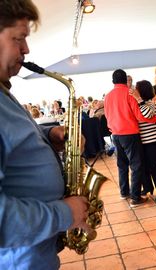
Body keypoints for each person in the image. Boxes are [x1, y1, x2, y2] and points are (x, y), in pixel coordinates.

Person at [0, 1, 92, 269]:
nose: (26, 50)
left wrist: (48, 134)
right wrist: (65, 213)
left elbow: (11, 136)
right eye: (19, 39)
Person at [104, 69, 156, 208]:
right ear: (125, 80)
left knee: (122, 164)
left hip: (115, 134)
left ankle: (124, 192)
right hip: (130, 134)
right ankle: (135, 197)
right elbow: (140, 116)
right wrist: (155, 119)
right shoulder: (129, 94)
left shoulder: (108, 96)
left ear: (113, 81)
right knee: (136, 165)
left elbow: (107, 116)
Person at [130, 80, 156, 202]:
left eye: (137, 88)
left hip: (153, 141)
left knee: (154, 167)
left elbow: (148, 114)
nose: (135, 90)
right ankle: (148, 188)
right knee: (144, 167)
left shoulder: (150, 103)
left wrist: (139, 99)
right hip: (141, 141)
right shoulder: (138, 103)